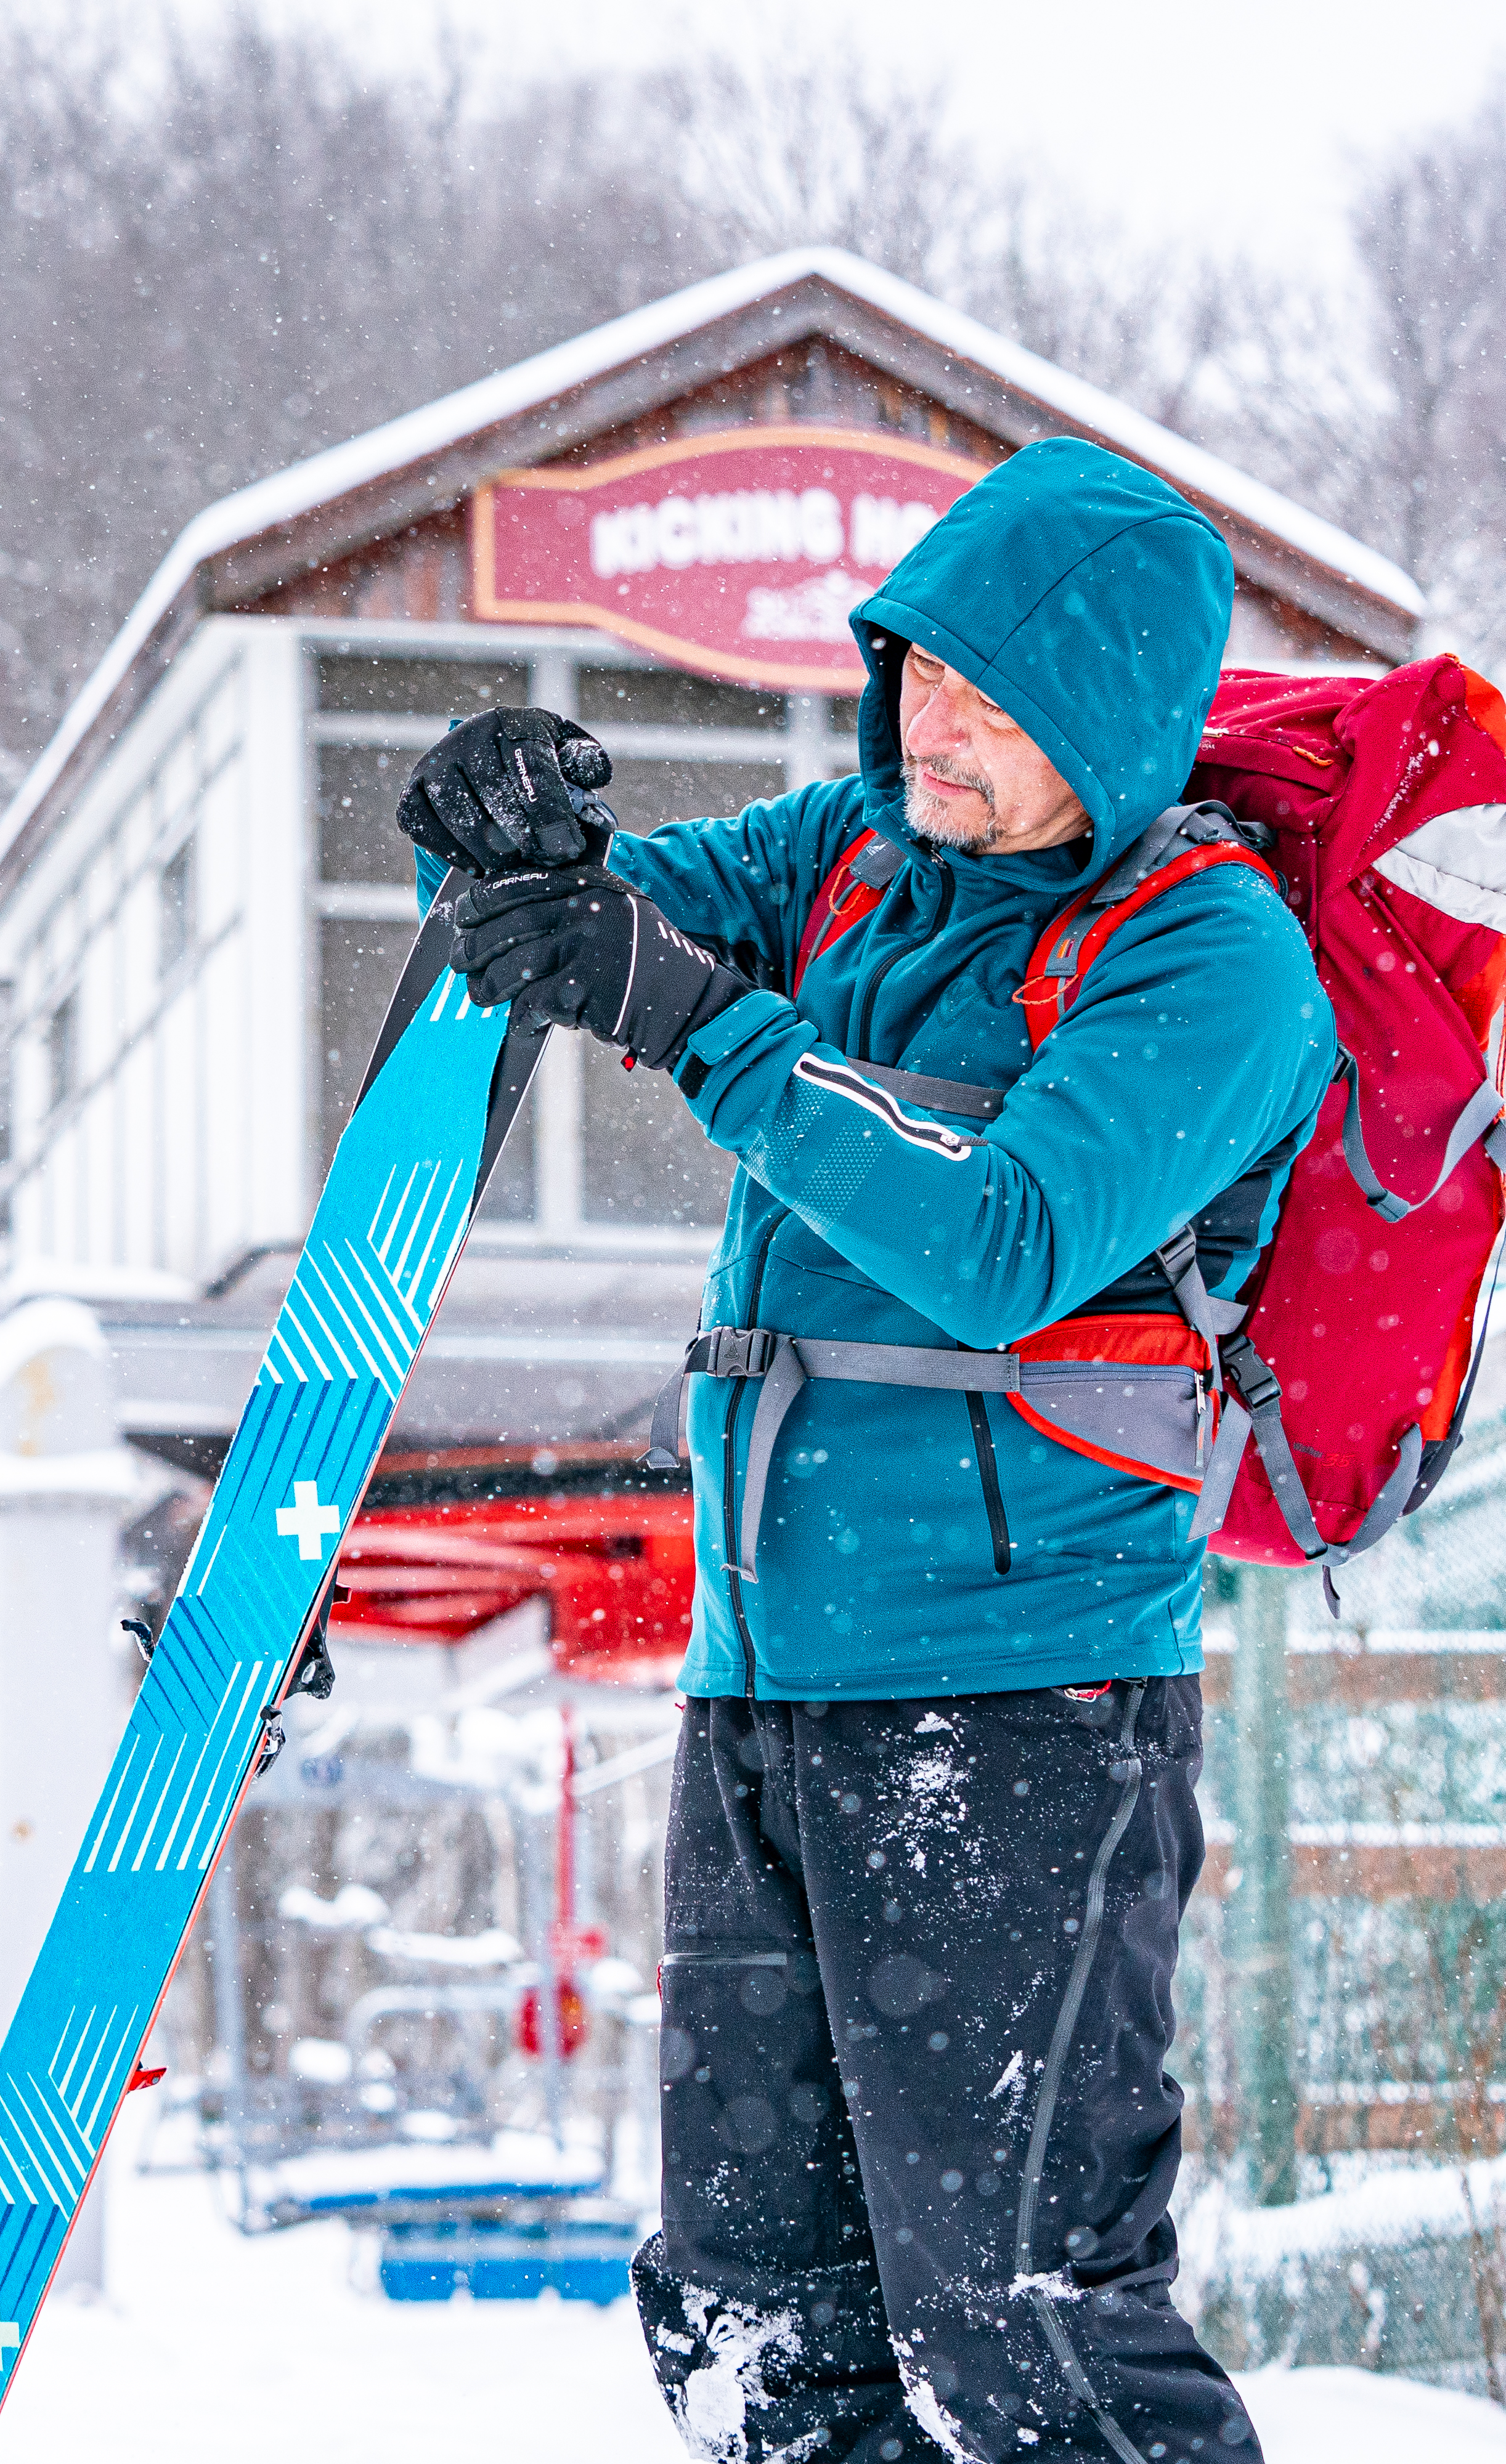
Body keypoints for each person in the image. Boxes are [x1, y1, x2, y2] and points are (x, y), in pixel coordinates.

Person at [398, 437, 1330, 2463]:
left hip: (1023, 1708)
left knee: (1022, 2328)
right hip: (761, 1684)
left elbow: (1001, 1240)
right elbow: (559, 930)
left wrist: (701, 1021)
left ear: (1118, 728)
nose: (938, 734)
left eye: (1001, 706)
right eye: (925, 678)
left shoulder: (1216, 962)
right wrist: (490, 835)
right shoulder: (849, 853)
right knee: (760, 2325)